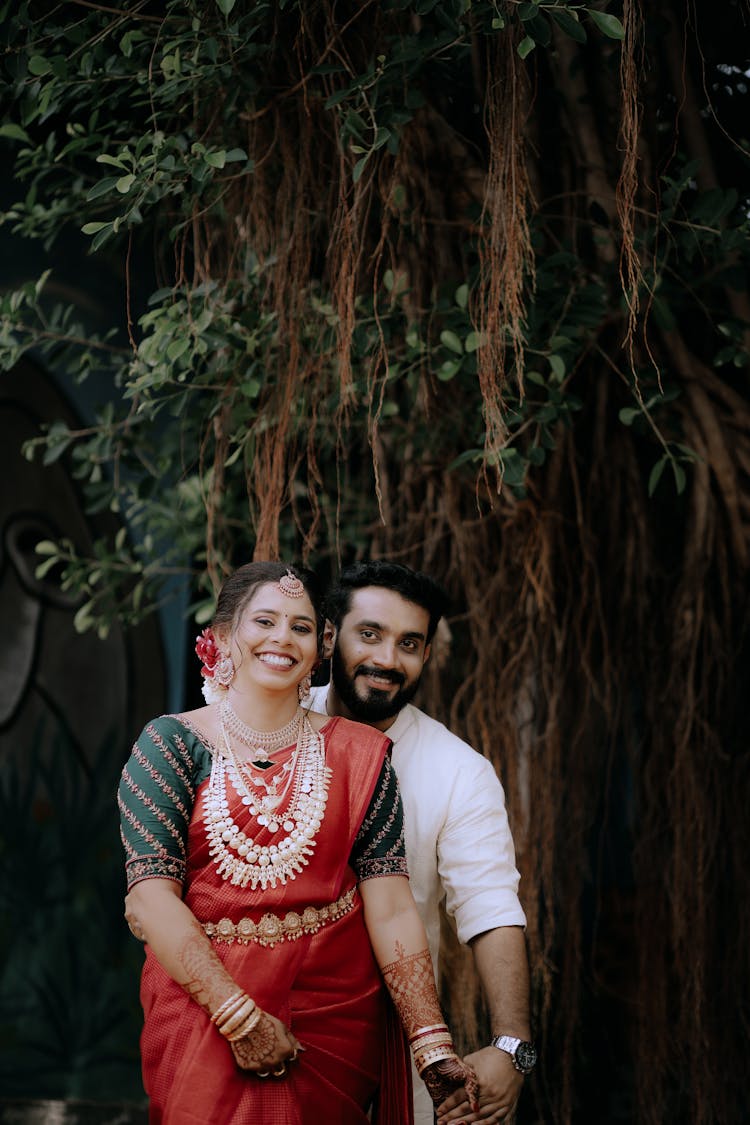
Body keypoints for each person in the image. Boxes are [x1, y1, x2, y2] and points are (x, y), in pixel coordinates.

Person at [118, 561, 480, 1125]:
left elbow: (390, 909)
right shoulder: (168, 745)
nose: (283, 637)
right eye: (264, 620)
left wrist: (431, 1043)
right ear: (220, 637)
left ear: (322, 648)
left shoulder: (361, 756)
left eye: (302, 627)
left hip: (333, 1016)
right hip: (202, 1010)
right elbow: (148, 901)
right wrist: (238, 1017)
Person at [311, 560, 535, 1125]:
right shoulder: (270, 722)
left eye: (409, 643)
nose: (388, 659)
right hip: (263, 1030)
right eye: (370, 635)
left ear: (427, 655)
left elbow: (490, 909)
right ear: (330, 635)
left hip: (391, 1046)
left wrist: (512, 1044)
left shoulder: (459, 772)